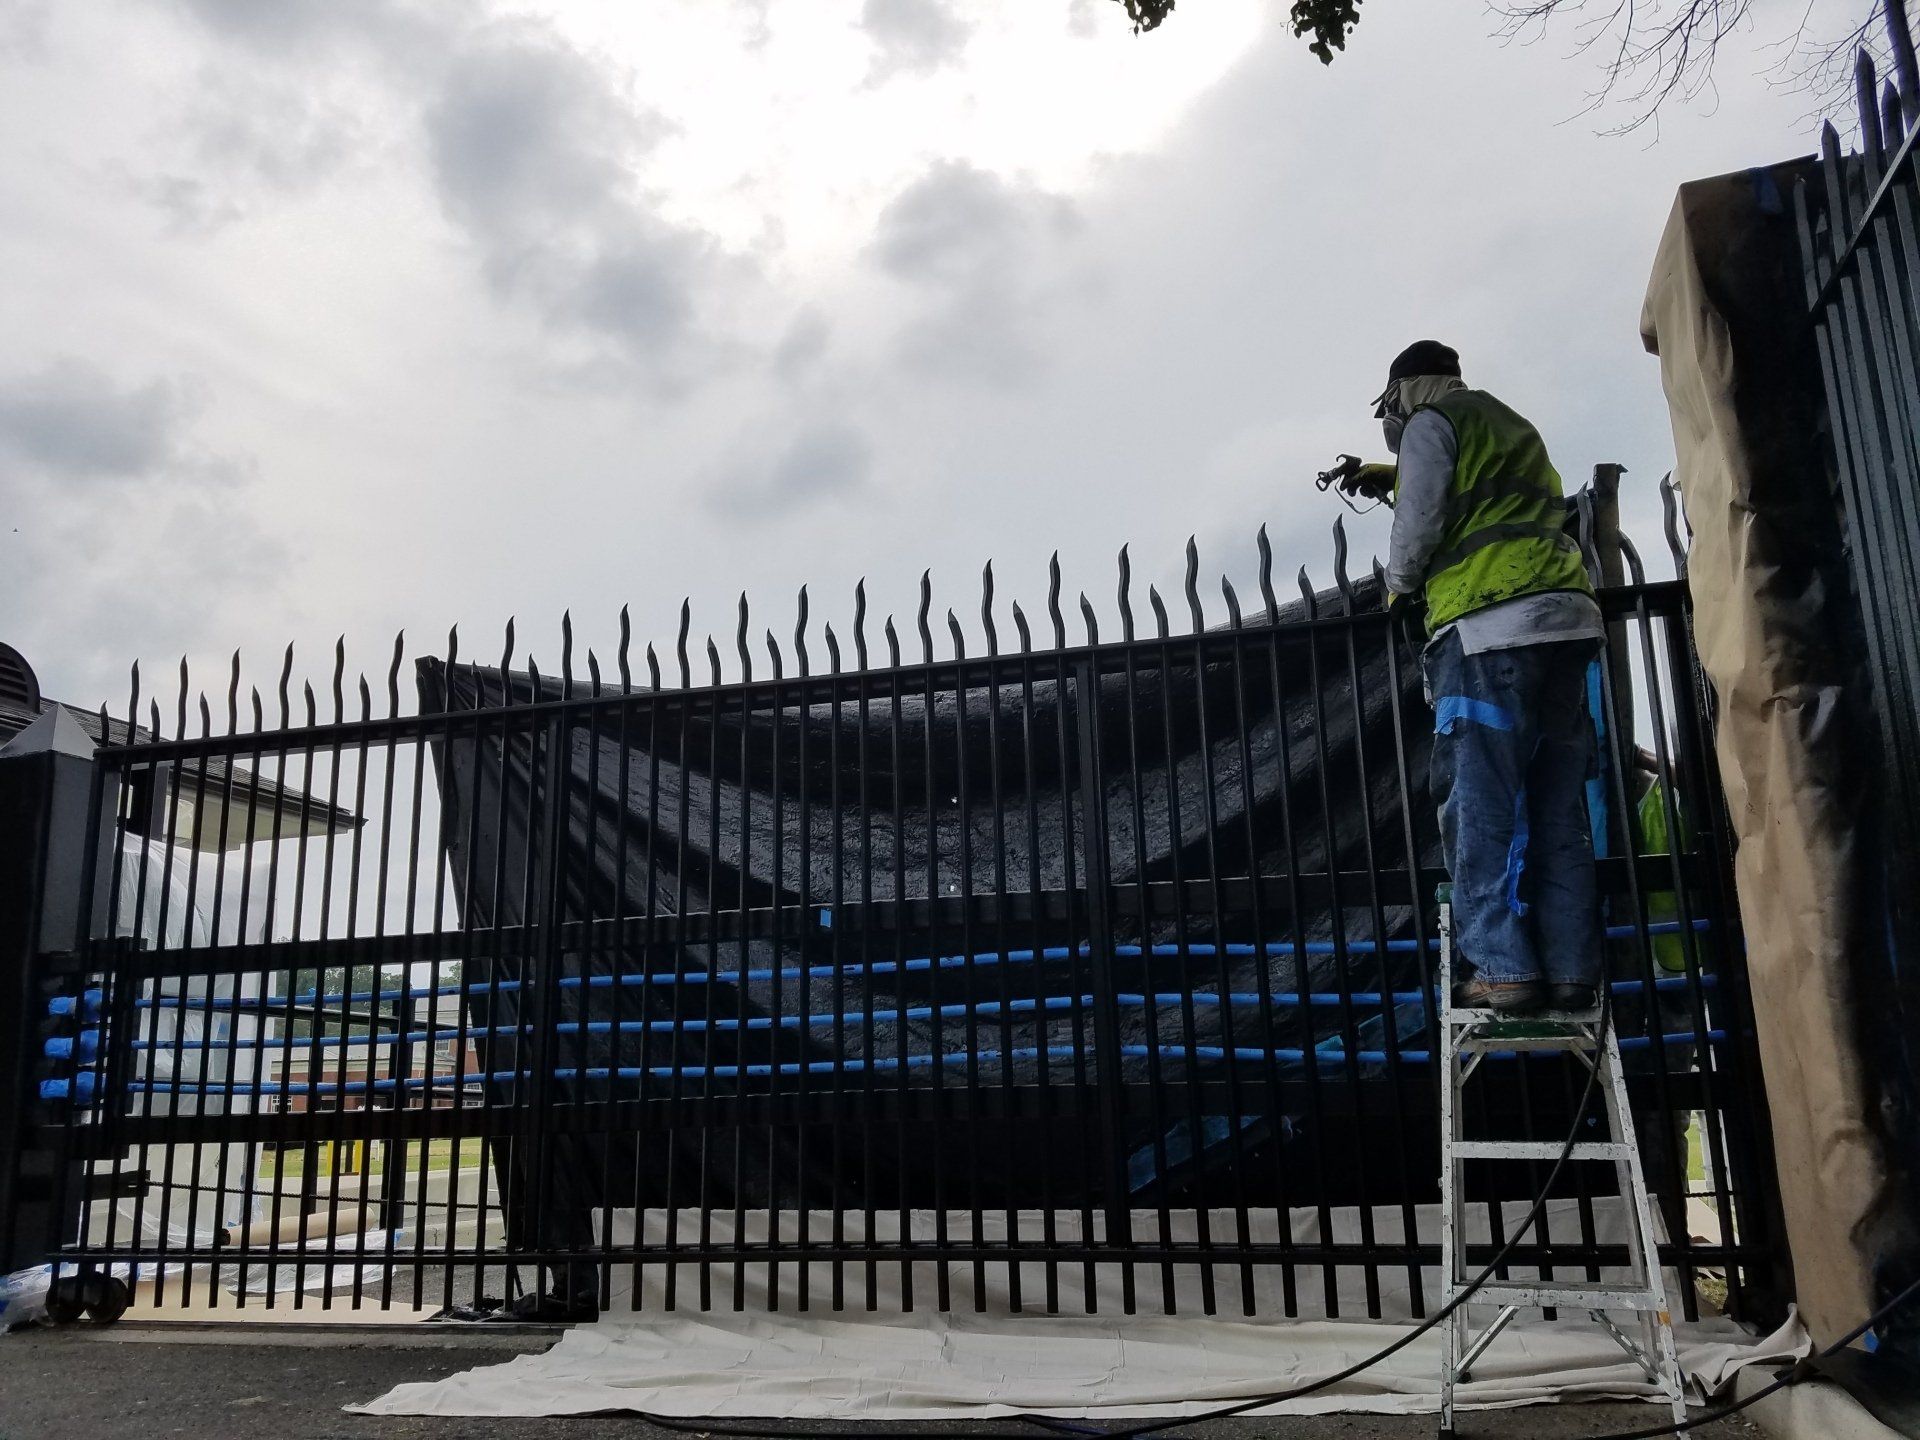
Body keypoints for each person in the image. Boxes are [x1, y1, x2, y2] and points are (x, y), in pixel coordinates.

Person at [1338, 341, 1606, 1013]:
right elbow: (1485, 495)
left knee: (1477, 803)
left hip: (1489, 628)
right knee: (1556, 807)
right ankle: (1572, 969)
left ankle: (1502, 967)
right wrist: (1386, 473)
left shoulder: (1432, 424)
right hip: (1566, 620)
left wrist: (1400, 591)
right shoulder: (1506, 420)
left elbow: (1421, 518)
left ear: (1403, 392)